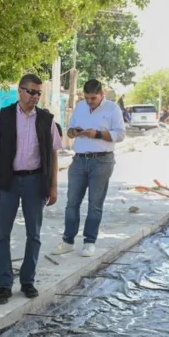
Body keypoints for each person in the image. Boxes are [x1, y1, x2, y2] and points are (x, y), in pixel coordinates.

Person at [0, 74, 61, 304]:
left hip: (35, 182)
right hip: (8, 181)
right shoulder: (4, 116)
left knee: (34, 234)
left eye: (38, 93)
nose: (35, 97)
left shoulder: (46, 120)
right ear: (19, 91)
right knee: (2, 235)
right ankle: (4, 285)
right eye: (31, 92)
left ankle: (27, 280)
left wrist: (53, 186)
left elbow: (55, 154)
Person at [53, 79, 125, 258]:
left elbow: (121, 134)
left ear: (102, 94)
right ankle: (68, 241)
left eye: (93, 98)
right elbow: (69, 130)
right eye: (87, 98)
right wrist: (74, 132)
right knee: (72, 203)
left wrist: (97, 134)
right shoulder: (79, 107)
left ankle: (89, 242)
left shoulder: (112, 109)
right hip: (78, 160)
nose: (90, 101)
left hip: (102, 161)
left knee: (95, 204)